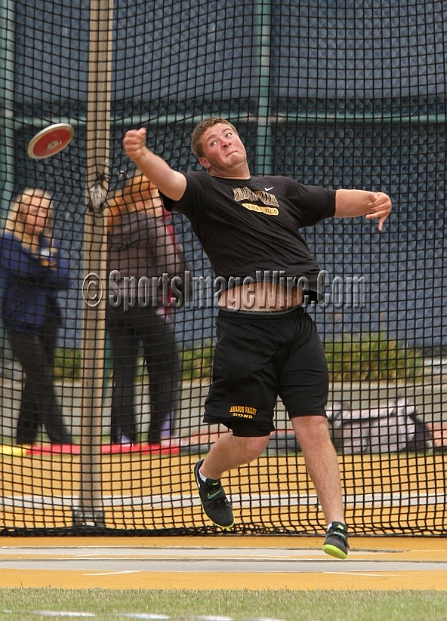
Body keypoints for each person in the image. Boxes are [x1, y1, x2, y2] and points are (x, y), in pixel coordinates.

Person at [123, 117, 392, 559]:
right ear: (205, 161)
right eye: (214, 141)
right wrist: (141, 156)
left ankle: (336, 526)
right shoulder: (204, 191)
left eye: (228, 133)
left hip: (296, 326)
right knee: (252, 441)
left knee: (313, 425)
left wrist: (375, 199)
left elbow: (334, 201)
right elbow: (168, 181)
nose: (225, 141)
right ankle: (208, 474)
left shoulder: (278, 189)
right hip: (245, 333)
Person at [106, 172, 187, 446]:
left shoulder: (111, 224)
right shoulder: (152, 225)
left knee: (124, 372)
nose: (162, 202)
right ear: (143, 199)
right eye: (157, 196)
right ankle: (160, 434)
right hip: (146, 308)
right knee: (167, 367)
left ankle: (123, 436)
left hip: (114, 308)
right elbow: (171, 267)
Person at [0, 187, 73, 446]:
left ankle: (24, 438)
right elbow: (22, 270)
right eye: (34, 211)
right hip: (19, 322)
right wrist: (44, 265)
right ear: (21, 213)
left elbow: (64, 277)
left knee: (35, 380)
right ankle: (62, 441)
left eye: (44, 211)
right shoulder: (7, 241)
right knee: (41, 379)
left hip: (48, 320)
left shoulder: (48, 244)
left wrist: (42, 265)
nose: (40, 216)